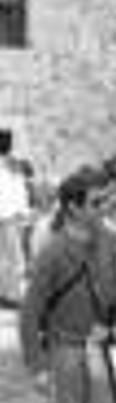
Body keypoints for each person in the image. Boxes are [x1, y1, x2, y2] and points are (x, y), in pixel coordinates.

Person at [19, 168, 116, 403]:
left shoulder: (109, 238)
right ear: (73, 208)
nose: (105, 207)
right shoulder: (52, 254)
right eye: (96, 202)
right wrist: (38, 367)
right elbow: (29, 313)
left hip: (103, 346)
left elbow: (114, 289)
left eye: (106, 200)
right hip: (66, 352)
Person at [0, 130, 30, 306]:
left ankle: (7, 293)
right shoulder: (15, 166)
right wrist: (23, 214)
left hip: (8, 215)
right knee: (14, 258)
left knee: (8, 257)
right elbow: (18, 192)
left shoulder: (15, 166)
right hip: (9, 216)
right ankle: (11, 295)